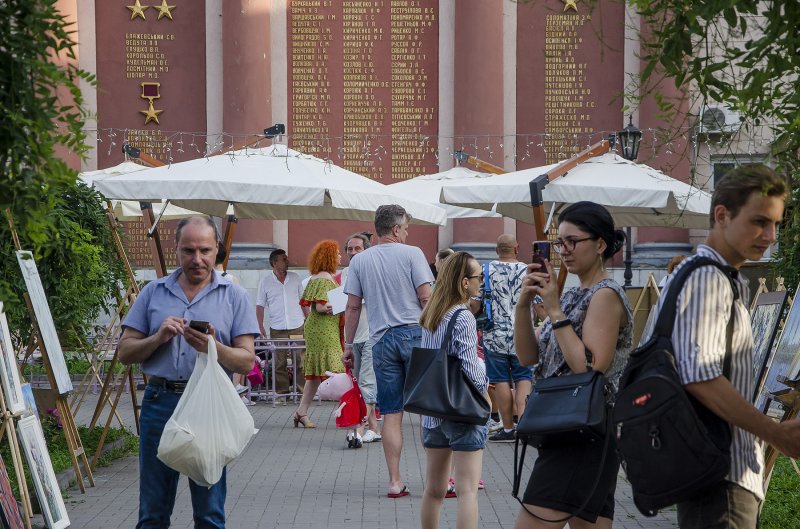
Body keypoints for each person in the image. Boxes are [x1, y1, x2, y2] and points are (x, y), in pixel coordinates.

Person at [647, 165, 800, 529]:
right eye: (760, 221)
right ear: (722, 215)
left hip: (709, 472)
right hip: (722, 478)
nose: (770, 235)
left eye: (776, 224)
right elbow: (700, 378)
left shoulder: (697, 275)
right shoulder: (708, 279)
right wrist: (775, 432)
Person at [118, 216, 259, 529]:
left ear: (217, 250)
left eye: (205, 250)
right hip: (160, 401)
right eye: (189, 251)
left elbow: (247, 362)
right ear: (177, 250)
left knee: (209, 512)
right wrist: (158, 338)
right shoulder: (153, 293)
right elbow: (125, 352)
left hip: (207, 405)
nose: (197, 259)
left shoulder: (234, 296)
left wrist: (212, 347)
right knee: (153, 511)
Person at [513, 201, 632, 529]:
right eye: (557, 243)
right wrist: (523, 305)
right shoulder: (569, 295)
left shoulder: (605, 295)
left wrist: (553, 311)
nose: (563, 250)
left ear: (600, 244)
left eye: (572, 241)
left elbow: (589, 367)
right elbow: (528, 357)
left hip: (583, 430)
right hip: (568, 426)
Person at [343, 204, 434, 498]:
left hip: (380, 339)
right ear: (395, 229)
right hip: (415, 334)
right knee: (428, 411)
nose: (407, 232)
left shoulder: (359, 262)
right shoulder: (413, 254)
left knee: (391, 414)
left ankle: (395, 482)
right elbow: (426, 298)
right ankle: (438, 480)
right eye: (405, 227)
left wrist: (348, 345)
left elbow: (353, 306)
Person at [418, 252, 489, 529]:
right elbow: (470, 367)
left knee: (433, 490)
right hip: (462, 409)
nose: (481, 282)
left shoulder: (432, 313)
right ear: (463, 283)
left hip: (432, 409)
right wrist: (486, 393)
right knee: (467, 491)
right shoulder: (463, 316)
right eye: (477, 277)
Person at [293, 240, 345, 428]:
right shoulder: (324, 278)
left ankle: (301, 412)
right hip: (323, 329)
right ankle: (347, 412)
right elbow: (321, 307)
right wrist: (343, 304)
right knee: (338, 370)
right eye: (337, 253)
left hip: (319, 328)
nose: (340, 256)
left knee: (315, 374)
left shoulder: (319, 276)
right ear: (330, 256)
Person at [484, 234, 530, 443]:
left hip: (495, 335)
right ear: (517, 248)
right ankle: (525, 426)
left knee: (500, 380)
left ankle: (508, 428)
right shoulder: (528, 271)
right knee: (523, 379)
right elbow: (538, 302)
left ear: (497, 250)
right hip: (524, 334)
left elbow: (476, 302)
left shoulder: (485, 270)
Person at [340, 232, 381, 444]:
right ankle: (374, 428)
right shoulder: (346, 273)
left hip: (373, 334)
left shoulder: (374, 270)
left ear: (367, 250)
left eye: (358, 248)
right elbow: (348, 306)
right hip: (354, 337)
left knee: (366, 381)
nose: (353, 252)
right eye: (350, 249)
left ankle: (359, 427)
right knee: (358, 383)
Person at [256, 248, 307, 394]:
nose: (287, 261)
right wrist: (260, 326)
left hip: (297, 325)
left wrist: (308, 319)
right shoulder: (265, 282)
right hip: (277, 328)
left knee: (300, 360)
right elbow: (259, 306)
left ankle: (301, 391)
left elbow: (303, 301)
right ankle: (281, 392)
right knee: (279, 362)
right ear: (274, 263)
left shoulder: (295, 278)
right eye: (283, 259)